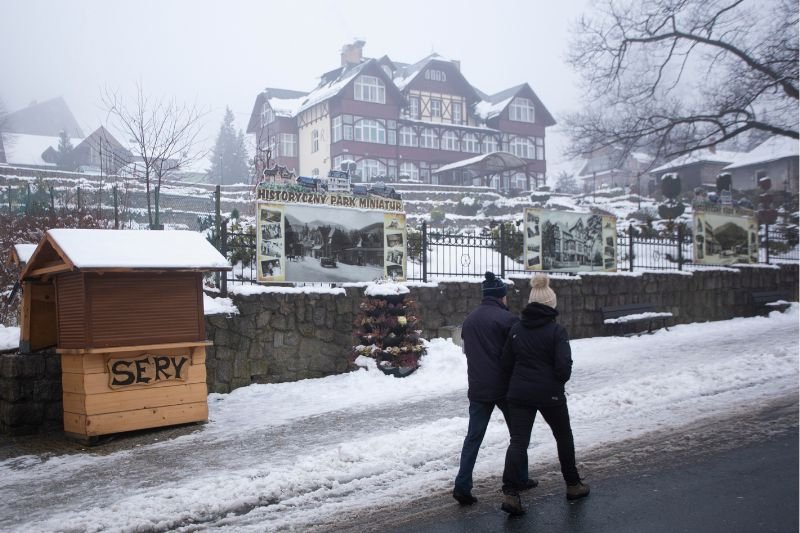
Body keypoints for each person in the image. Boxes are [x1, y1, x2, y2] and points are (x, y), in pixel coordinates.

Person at [499, 274, 589, 516]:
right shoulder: (556, 331)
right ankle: (573, 485)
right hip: (550, 394)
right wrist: (555, 382)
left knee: (518, 442)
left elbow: (506, 363)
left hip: (519, 393)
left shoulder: (517, 329)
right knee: (563, 436)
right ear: (551, 304)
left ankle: (511, 493)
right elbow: (563, 368)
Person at [453, 271, 538, 505]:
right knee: (518, 436)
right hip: (504, 389)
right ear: (501, 297)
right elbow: (518, 354)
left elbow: (467, 352)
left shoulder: (469, 320)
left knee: (473, 437)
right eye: (506, 296)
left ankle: (462, 486)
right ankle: (520, 477)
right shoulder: (507, 320)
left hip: (478, 388)